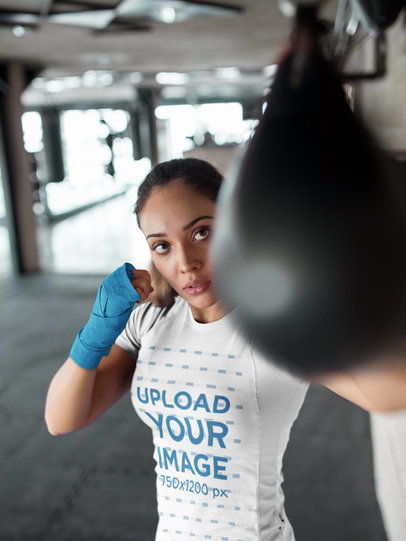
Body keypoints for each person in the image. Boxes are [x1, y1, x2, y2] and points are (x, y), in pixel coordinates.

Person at [44, 157, 403, 541]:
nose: (185, 263)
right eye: (162, 246)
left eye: (202, 233)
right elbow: (62, 420)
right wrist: (95, 333)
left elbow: (393, 389)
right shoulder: (151, 321)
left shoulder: (272, 328)